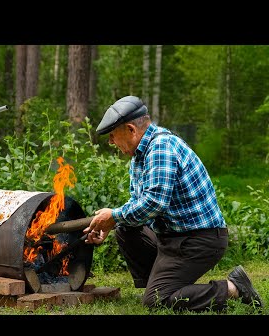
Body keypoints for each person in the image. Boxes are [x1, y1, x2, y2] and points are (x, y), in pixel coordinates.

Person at [83, 95, 263, 312]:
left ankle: (234, 288)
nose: (111, 142)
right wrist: (111, 223)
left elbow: (154, 203)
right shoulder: (139, 156)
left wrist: (113, 215)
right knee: (125, 228)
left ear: (131, 129)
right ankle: (162, 283)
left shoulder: (161, 146)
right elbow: (138, 203)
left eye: (112, 135)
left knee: (156, 301)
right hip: (175, 238)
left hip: (200, 240)